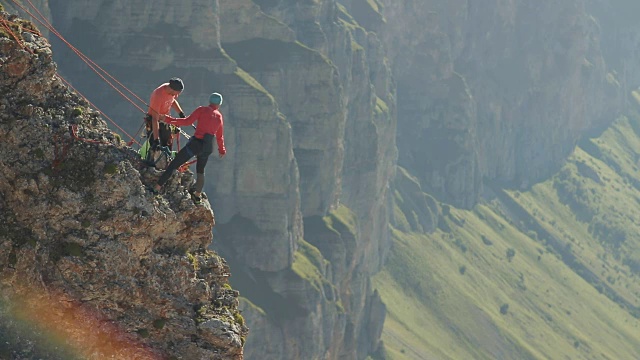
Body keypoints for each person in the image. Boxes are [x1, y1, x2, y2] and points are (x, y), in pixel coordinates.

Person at [150, 92, 226, 204]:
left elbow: (187, 121)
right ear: (219, 104)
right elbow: (219, 136)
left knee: (174, 164)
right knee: (200, 171)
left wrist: (168, 119)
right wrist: (222, 149)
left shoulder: (202, 110)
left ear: (210, 101)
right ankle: (197, 196)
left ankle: (157, 188)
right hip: (207, 147)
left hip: (195, 144)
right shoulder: (219, 117)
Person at [146, 77, 186, 152]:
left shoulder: (170, 91)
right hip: (153, 121)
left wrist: (181, 113)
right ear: (172, 89)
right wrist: (156, 139)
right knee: (156, 147)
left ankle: (166, 162)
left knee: (167, 144)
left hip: (165, 120)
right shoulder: (158, 95)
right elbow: (155, 119)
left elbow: (172, 101)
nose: (177, 96)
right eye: (176, 93)